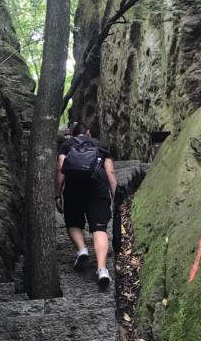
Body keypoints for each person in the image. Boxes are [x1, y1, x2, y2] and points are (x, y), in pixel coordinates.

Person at [55, 122, 117, 287]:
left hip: (74, 189)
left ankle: (82, 249)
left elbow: (61, 169)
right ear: (88, 132)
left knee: (73, 222)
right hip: (97, 188)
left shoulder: (66, 145)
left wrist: (57, 193)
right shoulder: (101, 146)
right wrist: (114, 195)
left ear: (73, 134)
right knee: (99, 229)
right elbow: (110, 172)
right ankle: (102, 269)